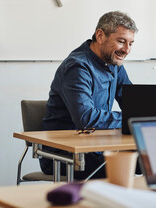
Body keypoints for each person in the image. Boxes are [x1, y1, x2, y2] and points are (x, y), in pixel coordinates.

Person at [40, 11, 138, 180]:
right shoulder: (78, 67)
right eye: (121, 41)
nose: (127, 50)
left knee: (153, 158)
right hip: (65, 153)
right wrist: (132, 118)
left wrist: (149, 115)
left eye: (131, 43)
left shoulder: (114, 63)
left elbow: (133, 104)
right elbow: (85, 118)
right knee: (128, 167)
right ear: (100, 35)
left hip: (96, 147)